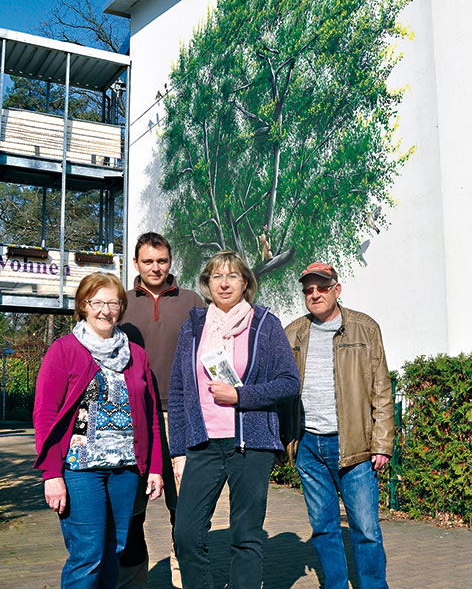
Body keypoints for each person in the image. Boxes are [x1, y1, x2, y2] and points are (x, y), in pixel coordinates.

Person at [168, 250, 300, 589]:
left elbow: (289, 382)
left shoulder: (264, 323)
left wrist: (240, 396)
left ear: (246, 283)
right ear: (207, 284)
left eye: (232, 276)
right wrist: (178, 450)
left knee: (246, 536)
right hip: (204, 445)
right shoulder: (194, 325)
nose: (224, 283)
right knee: (186, 533)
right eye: (216, 276)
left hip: (250, 446)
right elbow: (181, 389)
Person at [33, 272, 164, 588]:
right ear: (83, 306)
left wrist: (155, 469)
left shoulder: (136, 354)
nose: (105, 310)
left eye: (113, 302)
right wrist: (51, 475)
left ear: (121, 306)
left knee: (113, 551)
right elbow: (45, 414)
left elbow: (151, 417)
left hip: (126, 470)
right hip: (80, 470)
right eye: (97, 302)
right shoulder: (65, 350)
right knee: (87, 556)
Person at [283, 262, 394, 589]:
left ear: (336, 290)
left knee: (366, 531)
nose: (314, 294)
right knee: (323, 528)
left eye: (321, 287)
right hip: (308, 447)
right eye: (308, 290)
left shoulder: (364, 328)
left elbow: (381, 388)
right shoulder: (293, 333)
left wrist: (382, 443)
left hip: (355, 447)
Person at [117, 232, 205, 589]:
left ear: (171, 262)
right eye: (148, 261)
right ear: (136, 263)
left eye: (162, 261)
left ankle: (185, 581)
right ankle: (132, 583)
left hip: (182, 418)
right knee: (130, 512)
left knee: (184, 512)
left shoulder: (192, 301)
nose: (155, 267)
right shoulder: (120, 303)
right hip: (132, 421)